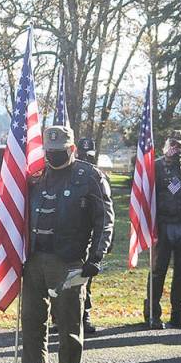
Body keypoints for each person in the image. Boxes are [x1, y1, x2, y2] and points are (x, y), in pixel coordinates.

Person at [17, 126, 114, 363]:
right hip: (34, 259)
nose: (53, 157)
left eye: (59, 152)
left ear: (71, 149)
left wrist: (96, 257)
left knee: (69, 323)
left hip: (69, 259)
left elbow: (104, 220)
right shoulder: (36, 175)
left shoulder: (90, 176)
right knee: (32, 321)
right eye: (49, 152)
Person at [145, 130, 181, 329]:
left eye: (180, 146)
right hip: (163, 226)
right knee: (157, 272)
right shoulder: (157, 167)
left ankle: (178, 314)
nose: (176, 148)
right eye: (173, 144)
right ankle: (152, 314)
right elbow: (146, 198)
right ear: (166, 145)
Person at [73, 137, 101, 335]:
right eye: (82, 157)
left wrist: (105, 244)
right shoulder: (68, 177)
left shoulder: (98, 179)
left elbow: (106, 215)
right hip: (67, 237)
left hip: (88, 237)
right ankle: (58, 319)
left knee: (86, 280)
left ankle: (85, 316)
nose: (85, 161)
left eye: (88, 157)